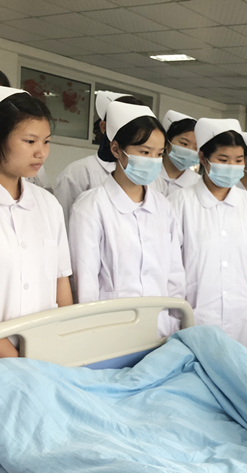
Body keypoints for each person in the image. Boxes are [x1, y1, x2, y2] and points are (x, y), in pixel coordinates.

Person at [68, 102, 185, 338]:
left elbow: (175, 276)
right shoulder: (90, 207)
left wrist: (175, 323)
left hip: (162, 331)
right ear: (116, 149)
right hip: (111, 333)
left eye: (159, 154)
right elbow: (86, 284)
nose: (153, 160)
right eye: (144, 152)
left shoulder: (163, 207)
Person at [169, 118, 247, 364]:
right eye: (223, 159)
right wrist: (175, 313)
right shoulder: (179, 204)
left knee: (238, 375)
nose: (232, 167)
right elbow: (170, 267)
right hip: (195, 315)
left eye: (238, 161)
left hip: (243, 316)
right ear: (203, 158)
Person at [0, 86, 73, 358]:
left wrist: (66, 346)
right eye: (30, 141)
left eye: (46, 141)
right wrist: (21, 365)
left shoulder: (48, 205)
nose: (41, 153)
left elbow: (61, 282)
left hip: (47, 353)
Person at [54, 92, 143, 226]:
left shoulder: (149, 174)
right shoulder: (79, 173)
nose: (133, 135)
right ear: (103, 127)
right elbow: (63, 225)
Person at [150, 110, 200, 197]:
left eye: (196, 148)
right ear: (167, 142)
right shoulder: (147, 173)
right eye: (184, 143)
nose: (190, 151)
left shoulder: (198, 184)